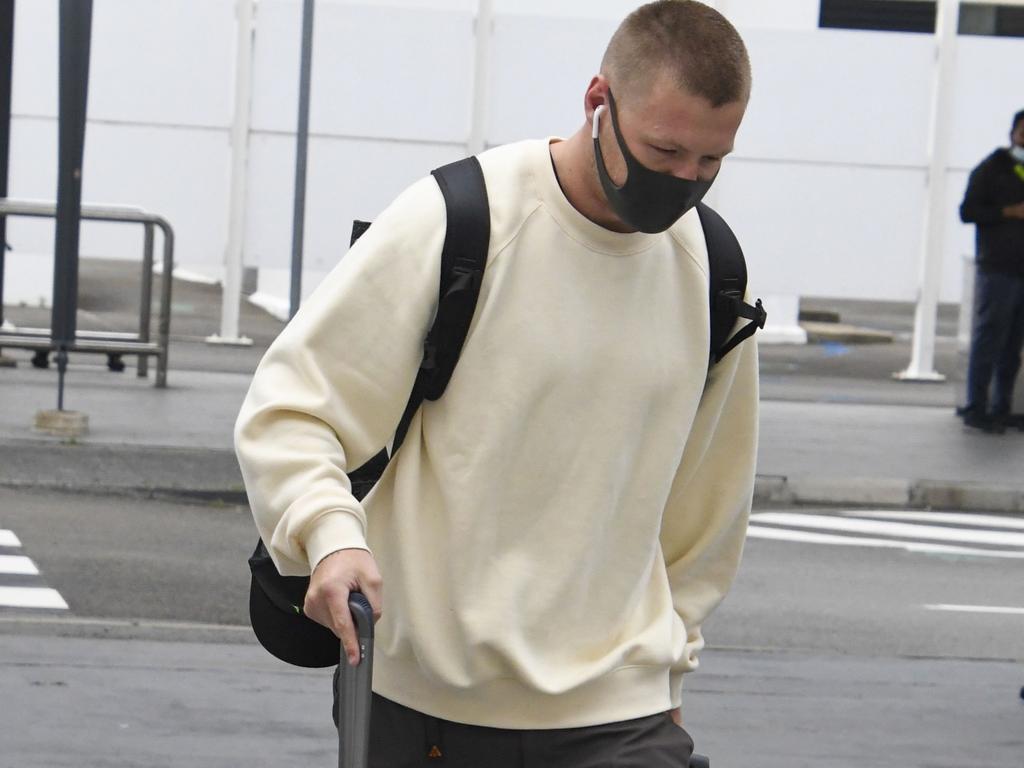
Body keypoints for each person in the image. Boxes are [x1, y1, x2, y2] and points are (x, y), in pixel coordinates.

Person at [235, 1, 758, 764]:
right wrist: (329, 538)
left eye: (710, 162)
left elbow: (708, 503)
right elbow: (292, 408)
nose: (685, 180)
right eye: (664, 150)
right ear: (597, 102)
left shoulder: (713, 269)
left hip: (622, 706)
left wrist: (673, 660)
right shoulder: (456, 220)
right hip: (427, 701)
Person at [958, 109, 1024, 433]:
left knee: (1013, 346)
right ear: (1012, 133)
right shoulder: (991, 169)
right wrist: (1007, 212)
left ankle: (1003, 407)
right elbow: (968, 211)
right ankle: (976, 406)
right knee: (989, 340)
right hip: (998, 267)